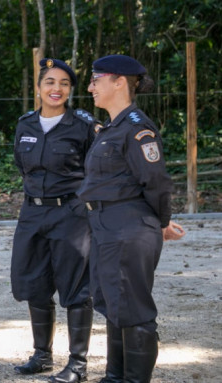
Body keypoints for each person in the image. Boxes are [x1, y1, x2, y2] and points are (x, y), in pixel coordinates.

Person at [79, 54, 186, 383]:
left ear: (119, 82)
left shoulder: (138, 128)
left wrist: (162, 220)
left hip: (127, 226)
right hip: (106, 226)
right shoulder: (111, 128)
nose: (90, 86)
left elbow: (155, 181)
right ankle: (115, 377)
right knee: (114, 302)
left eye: (96, 79)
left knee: (133, 306)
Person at [10, 58, 97, 382]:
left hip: (70, 214)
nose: (56, 88)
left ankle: (77, 364)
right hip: (32, 213)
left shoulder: (84, 125)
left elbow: (96, 169)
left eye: (63, 83)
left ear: (71, 90)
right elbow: (22, 165)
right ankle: (42, 355)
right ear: (39, 87)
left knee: (76, 288)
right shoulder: (25, 124)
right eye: (49, 82)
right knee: (33, 283)